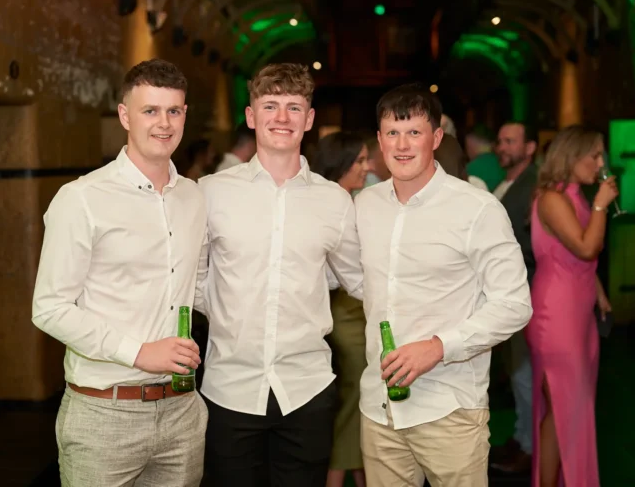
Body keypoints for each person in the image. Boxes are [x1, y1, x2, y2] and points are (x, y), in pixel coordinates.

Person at [32, 59, 208, 486]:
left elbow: (200, 285)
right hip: (103, 414)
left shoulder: (194, 197)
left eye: (174, 111)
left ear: (185, 115)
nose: (163, 123)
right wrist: (139, 351)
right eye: (150, 111)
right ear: (125, 115)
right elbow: (49, 308)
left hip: (182, 411)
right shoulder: (82, 199)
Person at [354, 83, 532, 487]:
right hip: (379, 409)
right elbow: (355, 280)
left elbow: (514, 304)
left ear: (436, 138)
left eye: (414, 132)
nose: (402, 145)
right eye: (393, 133)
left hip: (449, 409)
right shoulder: (364, 206)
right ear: (379, 140)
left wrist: (438, 347)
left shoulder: (477, 209)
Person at [195, 63, 364, 487]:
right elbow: (191, 279)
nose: (282, 118)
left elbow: (359, 279)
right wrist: (229, 313)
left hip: (306, 389)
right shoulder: (211, 193)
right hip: (229, 388)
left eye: (294, 107)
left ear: (309, 119)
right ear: (252, 116)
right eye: (270, 105)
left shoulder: (334, 201)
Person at [527, 125, 618, 487]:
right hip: (557, 316)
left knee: (571, 408)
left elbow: (576, 258)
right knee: (563, 406)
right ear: (571, 156)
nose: (601, 163)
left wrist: (597, 291)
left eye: (602, 156)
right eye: (594, 155)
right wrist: (601, 205)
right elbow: (585, 247)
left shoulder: (576, 195)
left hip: (579, 314)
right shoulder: (551, 198)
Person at [311, 131, 370, 487]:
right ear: (342, 164)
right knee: (353, 402)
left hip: (355, 311)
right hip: (343, 314)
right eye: (361, 161)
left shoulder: (352, 200)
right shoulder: (333, 204)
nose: (368, 167)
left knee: (357, 402)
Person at [489, 121, 539, 474]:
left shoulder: (534, 186)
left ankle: (529, 446)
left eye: (511, 141)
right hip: (505, 292)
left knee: (526, 373)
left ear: (531, 148)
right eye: (500, 140)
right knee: (517, 370)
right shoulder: (507, 182)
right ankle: (522, 436)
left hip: (529, 290)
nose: (502, 146)